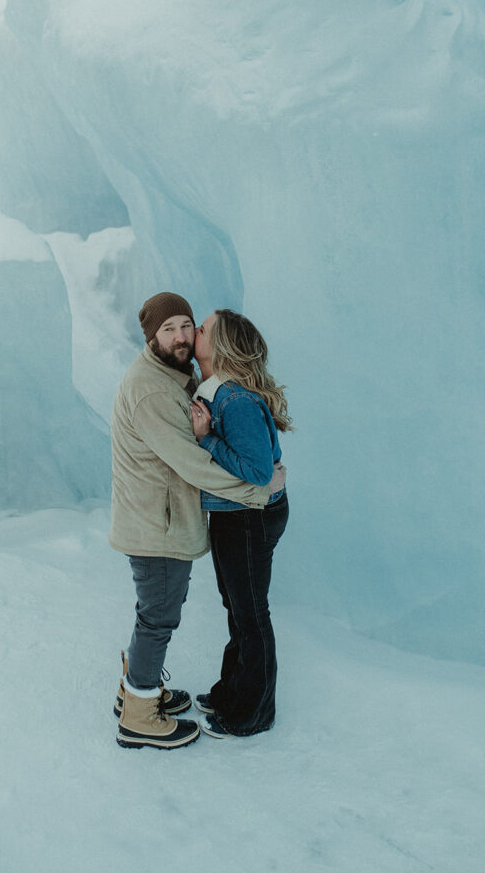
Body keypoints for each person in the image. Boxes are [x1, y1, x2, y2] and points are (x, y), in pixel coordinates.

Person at [110, 292, 286, 750]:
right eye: (169, 329)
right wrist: (254, 489)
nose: (184, 335)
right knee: (160, 617)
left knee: (233, 613)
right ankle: (140, 711)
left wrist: (254, 481)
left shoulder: (192, 382)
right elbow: (195, 461)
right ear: (151, 336)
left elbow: (252, 461)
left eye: (190, 325)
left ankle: (151, 694)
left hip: (204, 519)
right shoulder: (157, 387)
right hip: (160, 524)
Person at [189, 309, 292, 738]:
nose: (194, 330)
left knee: (250, 615)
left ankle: (251, 714)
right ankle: (231, 690)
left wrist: (206, 437)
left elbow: (256, 470)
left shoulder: (235, 400)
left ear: (222, 347)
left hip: (249, 519)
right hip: (236, 517)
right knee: (238, 608)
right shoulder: (216, 392)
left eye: (203, 329)